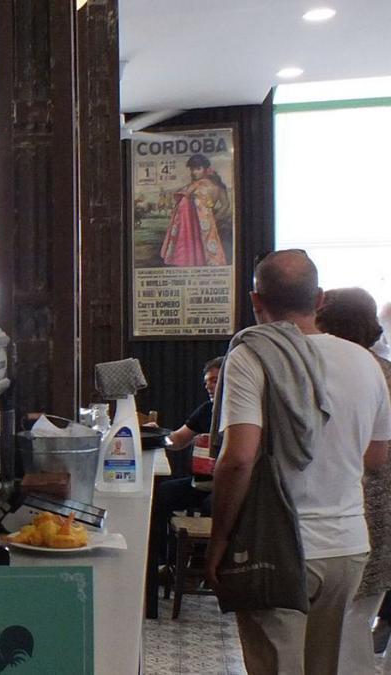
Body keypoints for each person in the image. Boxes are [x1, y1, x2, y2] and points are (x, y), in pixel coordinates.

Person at [206, 250, 391, 675]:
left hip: (276, 546)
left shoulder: (252, 356)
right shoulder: (366, 363)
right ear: (320, 298)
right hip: (347, 547)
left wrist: (218, 541)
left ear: (256, 301)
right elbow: (377, 456)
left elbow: (238, 458)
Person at [316, 287, 391, 671]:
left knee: (344, 622)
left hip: (355, 509)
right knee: (355, 617)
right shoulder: (383, 371)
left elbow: (376, 457)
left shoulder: (317, 370)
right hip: (375, 511)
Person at [144, 357, 222, 617]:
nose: (210, 386)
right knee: (161, 494)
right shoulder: (206, 410)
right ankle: (162, 562)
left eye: (215, 379)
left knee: (215, 506)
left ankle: (198, 567)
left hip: (228, 486)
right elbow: (177, 440)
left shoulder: (241, 410)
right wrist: (157, 433)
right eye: (207, 382)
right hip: (201, 482)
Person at [160, 154, 231, 267]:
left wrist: (214, 220)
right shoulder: (192, 186)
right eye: (192, 169)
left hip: (204, 224)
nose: (194, 172)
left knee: (208, 253)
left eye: (198, 169)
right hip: (190, 225)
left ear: (206, 169)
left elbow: (225, 205)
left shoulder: (217, 186)